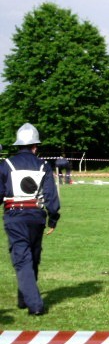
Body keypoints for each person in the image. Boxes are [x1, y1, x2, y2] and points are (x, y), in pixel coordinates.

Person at [0, 123, 60, 316]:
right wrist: (53, 218)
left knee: (22, 258)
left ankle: (34, 304)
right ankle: (25, 299)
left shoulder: (6, 165)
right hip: (36, 216)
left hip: (14, 216)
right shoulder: (44, 165)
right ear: (35, 146)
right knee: (32, 257)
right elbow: (51, 196)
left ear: (18, 145)